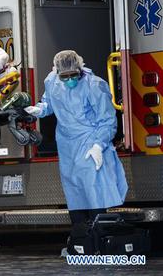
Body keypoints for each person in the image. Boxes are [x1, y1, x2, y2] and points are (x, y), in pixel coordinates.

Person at [24, 50, 128, 226]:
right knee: (74, 190)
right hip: (67, 145)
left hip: (90, 140)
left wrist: (98, 145)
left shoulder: (94, 85)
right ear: (57, 72)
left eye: (74, 75)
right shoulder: (51, 81)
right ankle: (81, 238)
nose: (70, 80)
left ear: (80, 69)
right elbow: (49, 103)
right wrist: (39, 110)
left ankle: (99, 238)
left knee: (94, 190)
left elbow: (107, 120)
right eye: (65, 77)